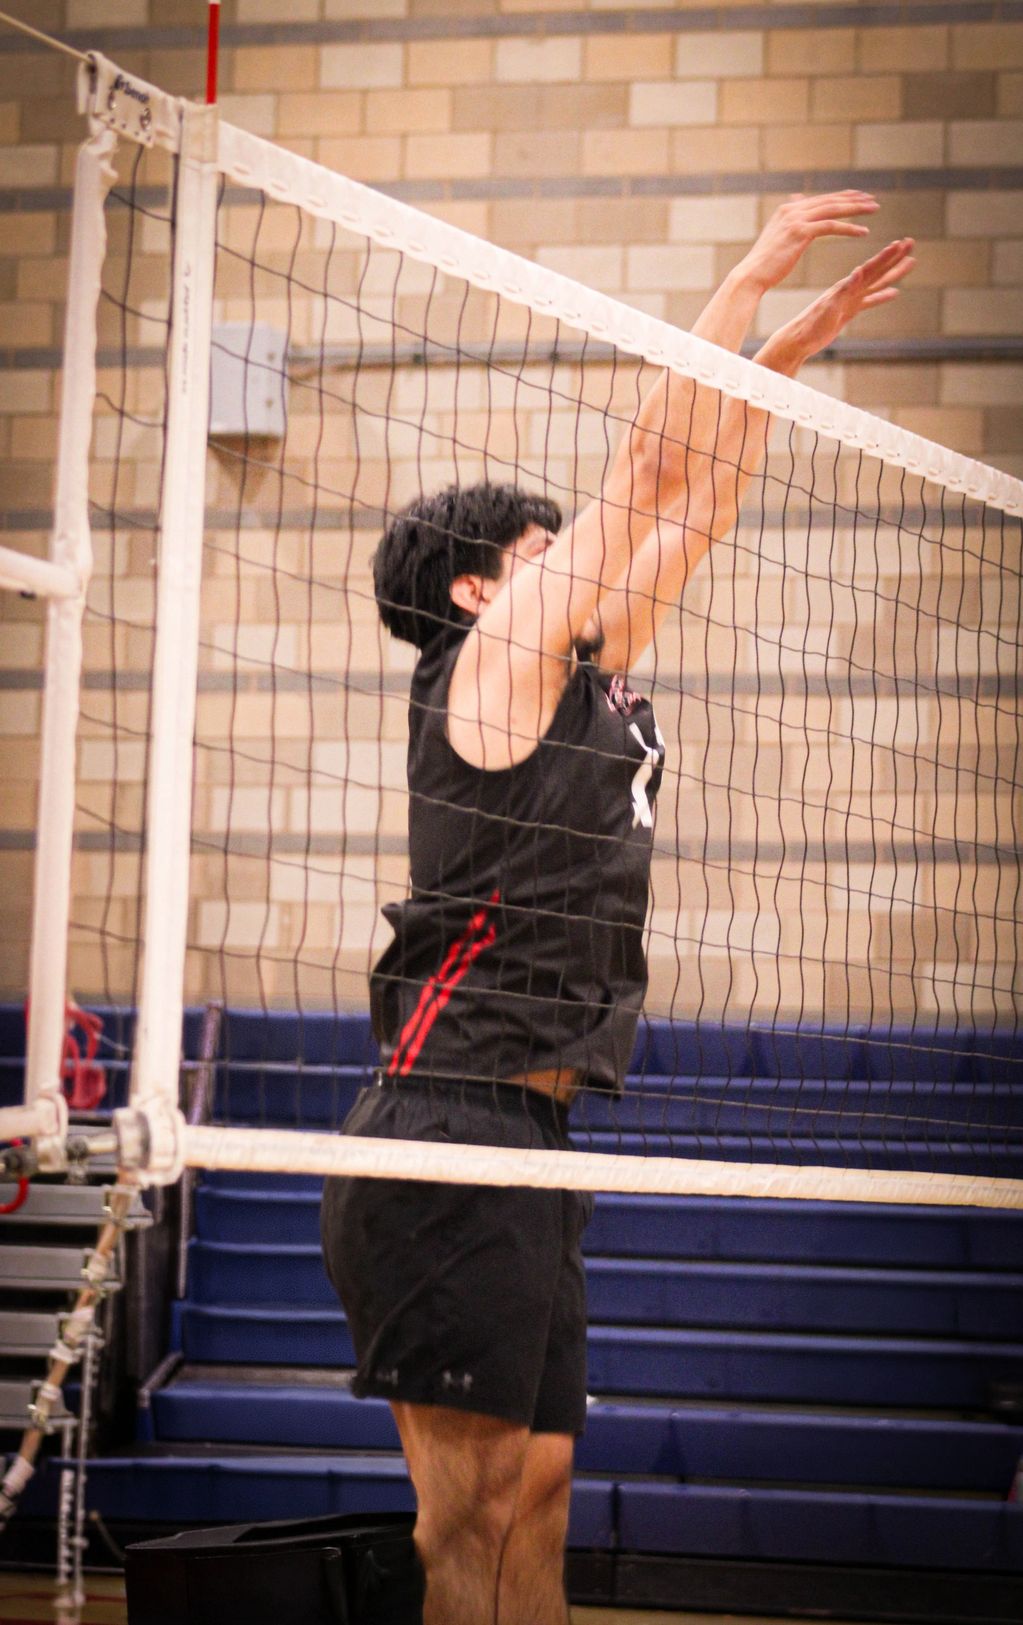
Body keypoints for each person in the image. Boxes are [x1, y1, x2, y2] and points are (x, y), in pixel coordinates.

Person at [321, 196, 914, 1625]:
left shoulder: (573, 671)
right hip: (444, 1127)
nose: (581, 557)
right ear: (481, 586)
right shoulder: (490, 659)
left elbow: (697, 499)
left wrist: (779, 362)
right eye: (548, 544)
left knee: (537, 1500)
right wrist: (756, 270)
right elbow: (652, 464)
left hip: (535, 1127)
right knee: (464, 1516)